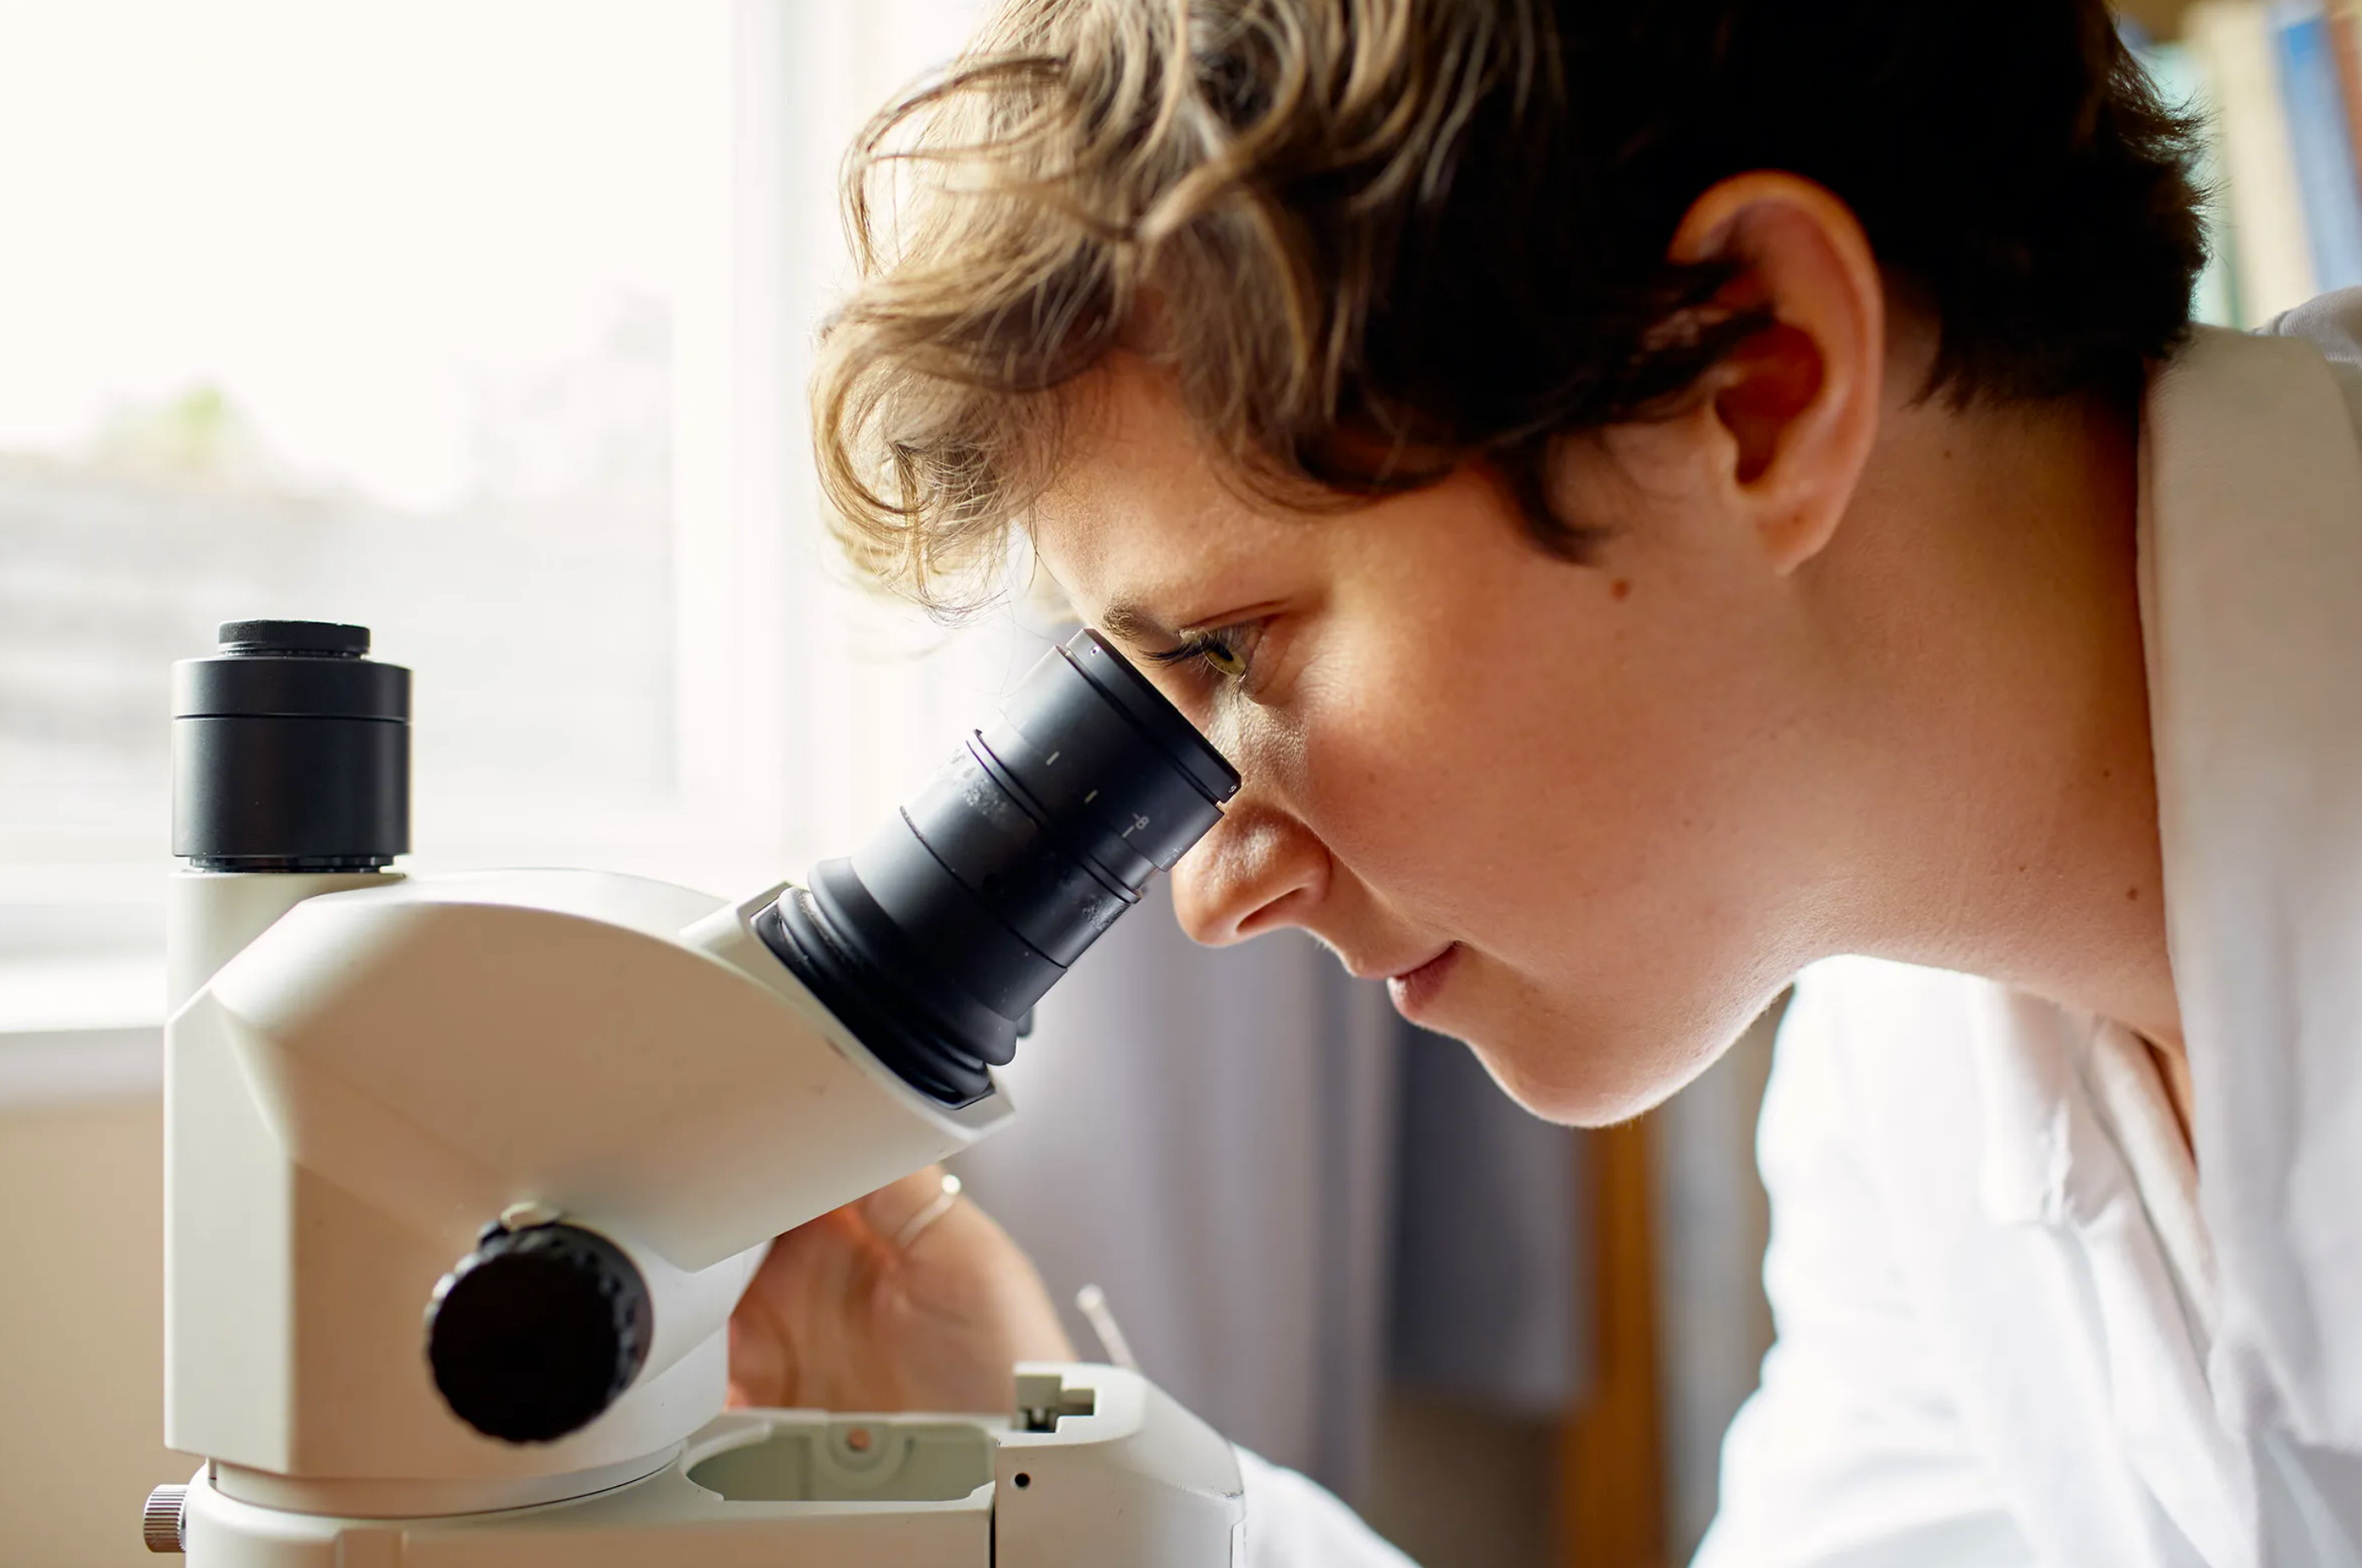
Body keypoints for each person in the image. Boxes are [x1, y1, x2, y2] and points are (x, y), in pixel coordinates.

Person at [726, 1, 2362, 1562]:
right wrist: (1035, 1478)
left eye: (1232, 649)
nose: (1215, 889)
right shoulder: (1917, 1060)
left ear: (1752, 384)